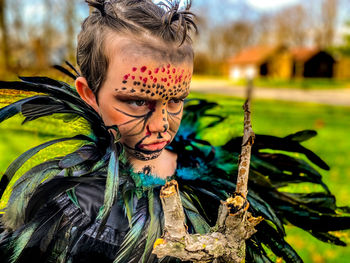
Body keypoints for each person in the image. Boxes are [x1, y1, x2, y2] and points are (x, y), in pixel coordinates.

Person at [1, 1, 350, 262]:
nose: (160, 125)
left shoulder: (211, 176)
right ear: (89, 93)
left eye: (176, 101)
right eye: (136, 102)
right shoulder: (76, 210)